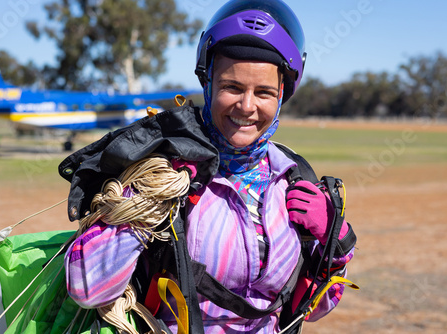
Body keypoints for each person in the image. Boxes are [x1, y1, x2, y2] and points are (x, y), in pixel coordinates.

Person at [63, 0, 356, 332]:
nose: (246, 106)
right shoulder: (162, 171)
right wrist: (146, 204)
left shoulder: (295, 179)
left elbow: (313, 309)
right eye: (232, 87)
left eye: (264, 92)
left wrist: (336, 244)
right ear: (208, 83)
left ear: (282, 95)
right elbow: (87, 288)